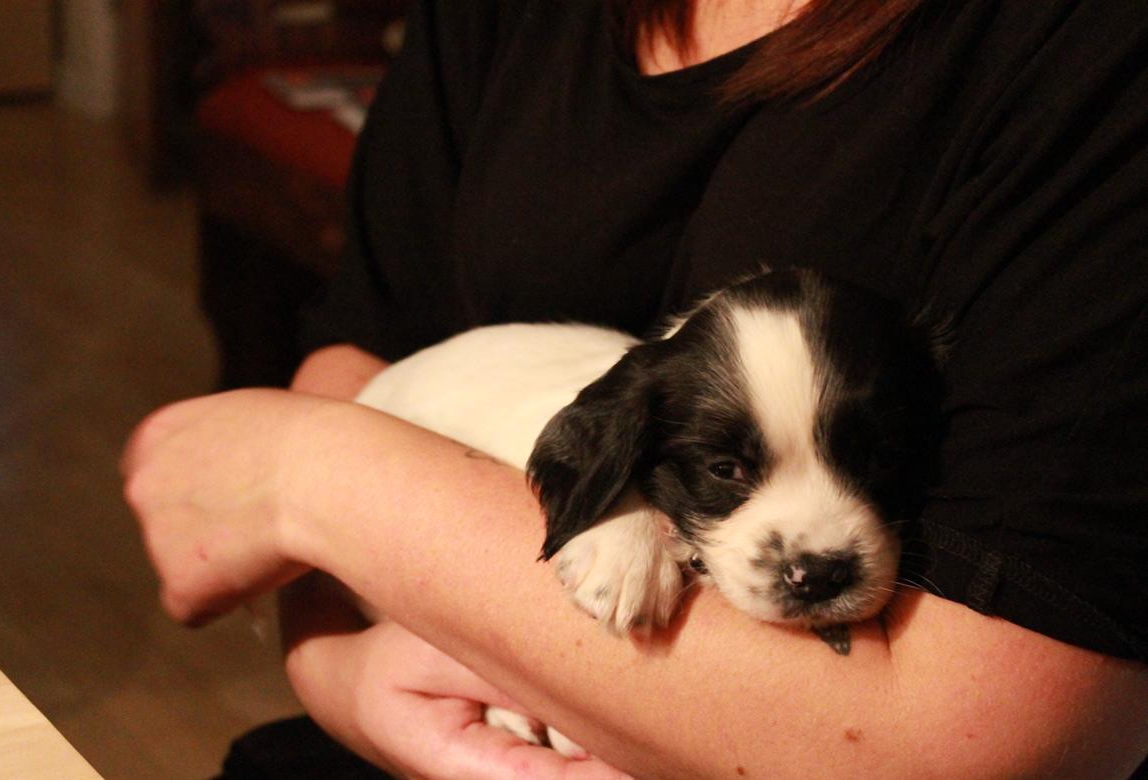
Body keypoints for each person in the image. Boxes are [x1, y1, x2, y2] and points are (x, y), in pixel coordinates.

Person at [123, 0, 1148, 776]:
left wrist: (315, 477)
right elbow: (362, 351)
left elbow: (984, 741)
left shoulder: (1085, 52)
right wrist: (345, 681)